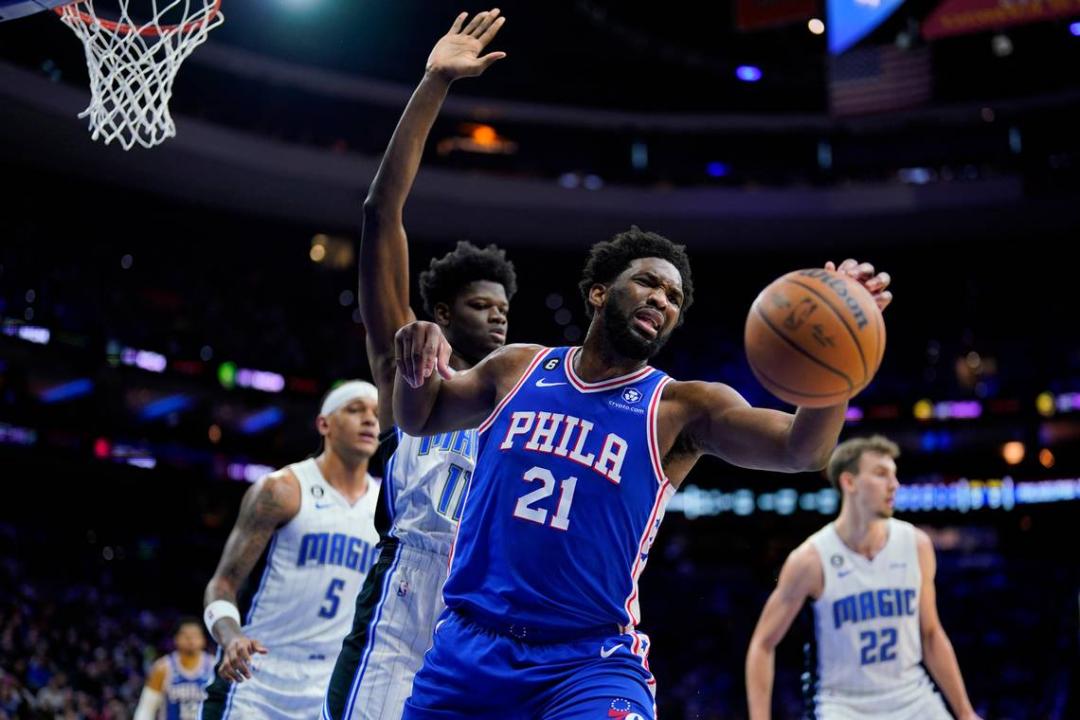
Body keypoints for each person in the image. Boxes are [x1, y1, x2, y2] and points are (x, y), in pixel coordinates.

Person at [391, 226, 892, 719]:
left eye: (674, 297)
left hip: (586, 663)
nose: (661, 299)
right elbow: (420, 417)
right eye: (648, 282)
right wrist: (417, 360)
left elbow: (803, 450)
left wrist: (835, 360)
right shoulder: (518, 368)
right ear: (599, 293)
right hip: (468, 650)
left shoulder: (681, 407)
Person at [322, 10, 516, 720]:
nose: (497, 316)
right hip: (405, 597)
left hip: (485, 608)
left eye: (503, 306)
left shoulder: (523, 389)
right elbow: (382, 212)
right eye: (479, 304)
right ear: (442, 310)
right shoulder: (407, 360)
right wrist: (435, 82)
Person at [745, 435, 982, 720]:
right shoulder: (810, 560)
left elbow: (931, 635)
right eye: (881, 474)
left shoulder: (916, 545)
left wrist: (965, 712)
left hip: (913, 698)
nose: (894, 484)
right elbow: (762, 644)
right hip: (843, 706)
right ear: (849, 482)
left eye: (894, 474)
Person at [200, 382, 381, 719]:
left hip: (331, 683)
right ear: (324, 424)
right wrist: (231, 637)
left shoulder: (387, 505)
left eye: (377, 413)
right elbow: (221, 585)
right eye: (356, 410)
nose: (370, 420)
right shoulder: (281, 490)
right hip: (257, 677)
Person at [133, 618, 214, 720]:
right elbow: (146, 709)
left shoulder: (214, 666)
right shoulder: (162, 668)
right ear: (176, 639)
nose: (191, 640)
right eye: (186, 636)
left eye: (195, 635)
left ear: (203, 639)